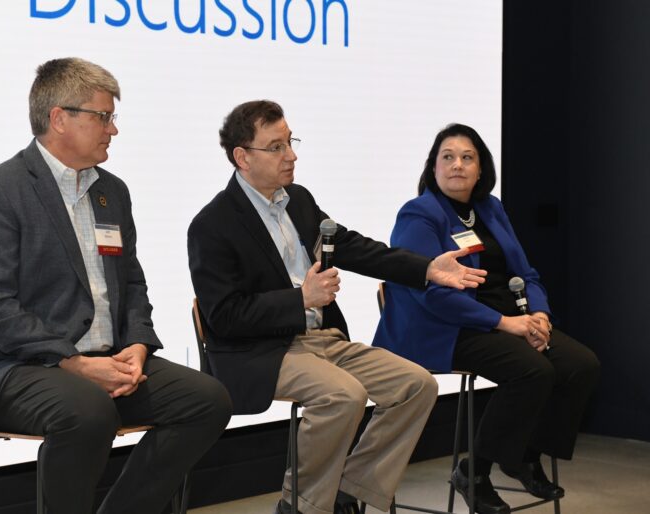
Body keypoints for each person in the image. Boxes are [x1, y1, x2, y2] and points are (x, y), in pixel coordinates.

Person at [0, 57, 232, 514]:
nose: (113, 130)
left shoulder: (112, 192)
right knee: (88, 412)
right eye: (103, 116)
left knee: (207, 400)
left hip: (107, 362)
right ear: (59, 118)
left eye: (112, 117)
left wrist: (139, 343)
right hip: (18, 368)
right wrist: (73, 361)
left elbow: (133, 282)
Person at [187, 100, 488, 514]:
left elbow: (355, 248)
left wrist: (427, 269)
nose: (291, 155)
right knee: (343, 396)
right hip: (261, 352)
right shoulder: (212, 225)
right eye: (276, 147)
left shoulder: (299, 201)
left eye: (290, 142)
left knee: (417, 386)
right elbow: (224, 317)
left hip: (324, 340)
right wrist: (300, 300)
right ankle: (301, 506)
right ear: (242, 157)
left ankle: (349, 490)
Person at [372, 123, 600, 514]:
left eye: (467, 157)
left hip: (505, 318)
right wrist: (507, 324)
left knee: (581, 365)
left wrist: (539, 314)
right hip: (445, 328)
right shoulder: (419, 214)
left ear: (481, 168)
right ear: (433, 167)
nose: (457, 165)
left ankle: (526, 454)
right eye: (448, 157)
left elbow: (526, 272)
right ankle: (474, 473)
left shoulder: (490, 208)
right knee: (533, 371)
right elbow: (435, 295)